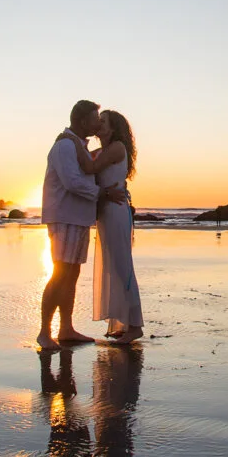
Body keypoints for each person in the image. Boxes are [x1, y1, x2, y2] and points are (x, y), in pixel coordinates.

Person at [37, 100, 126, 351]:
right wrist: (104, 193)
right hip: (65, 217)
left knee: (72, 274)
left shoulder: (77, 145)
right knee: (60, 273)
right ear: (83, 121)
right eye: (96, 118)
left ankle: (66, 328)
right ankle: (44, 332)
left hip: (77, 218)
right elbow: (73, 182)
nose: (98, 123)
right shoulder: (65, 145)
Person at [62, 110, 144, 345]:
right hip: (106, 211)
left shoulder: (117, 147)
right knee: (112, 267)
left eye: (103, 122)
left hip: (116, 210)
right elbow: (86, 162)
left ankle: (135, 325)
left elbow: (88, 168)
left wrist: (71, 141)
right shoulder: (102, 151)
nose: (98, 124)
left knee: (122, 267)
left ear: (113, 128)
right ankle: (122, 323)